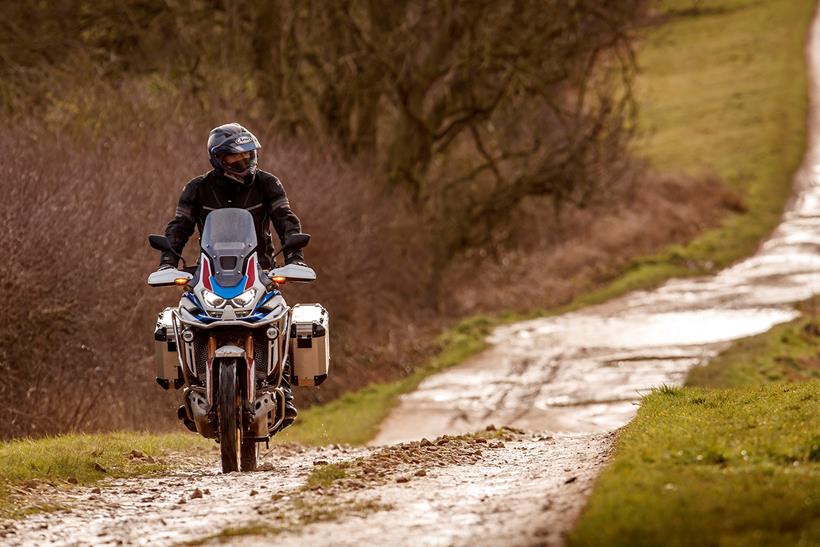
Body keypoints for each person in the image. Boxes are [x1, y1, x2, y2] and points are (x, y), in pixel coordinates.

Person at [157, 122, 303, 426]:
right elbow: (180, 226)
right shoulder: (196, 188)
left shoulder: (267, 184)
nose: (245, 163)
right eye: (237, 158)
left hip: (259, 268)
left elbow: (285, 219)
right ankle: (194, 387)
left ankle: (284, 392)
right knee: (185, 318)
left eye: (249, 156)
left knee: (280, 317)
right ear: (218, 160)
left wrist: (295, 257)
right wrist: (168, 261)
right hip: (210, 270)